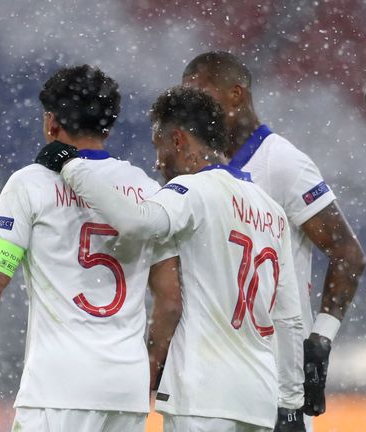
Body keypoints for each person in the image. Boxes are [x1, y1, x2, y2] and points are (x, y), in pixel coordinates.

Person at [0, 65, 182, 432]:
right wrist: (148, 368)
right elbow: (170, 299)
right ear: (108, 127)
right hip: (125, 390)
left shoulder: (30, 185)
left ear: (51, 123)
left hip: (58, 389)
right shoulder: (145, 190)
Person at [39, 86, 306, 431]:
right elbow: (289, 318)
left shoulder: (194, 192)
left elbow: (136, 222)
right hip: (259, 399)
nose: (157, 160)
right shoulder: (271, 210)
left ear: (178, 140)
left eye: (159, 146)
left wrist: (71, 167)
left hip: (203, 394)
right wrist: (291, 403)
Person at [181, 51, 365, 424]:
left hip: (275, 375)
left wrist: (320, 341)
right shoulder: (198, 168)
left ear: (235, 95)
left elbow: (347, 251)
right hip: (211, 373)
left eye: (202, 98)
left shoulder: (281, 163)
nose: (194, 112)